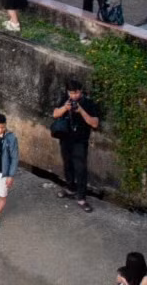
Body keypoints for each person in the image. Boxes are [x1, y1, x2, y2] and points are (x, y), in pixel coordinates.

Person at [52, 82, 102, 211]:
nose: (74, 96)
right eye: (71, 93)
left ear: (81, 91)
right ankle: (70, 188)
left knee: (80, 169)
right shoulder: (65, 99)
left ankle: (81, 197)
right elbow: (55, 114)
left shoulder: (88, 103)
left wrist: (81, 111)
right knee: (67, 164)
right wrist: (65, 108)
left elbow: (95, 123)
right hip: (65, 138)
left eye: (76, 93)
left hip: (80, 140)